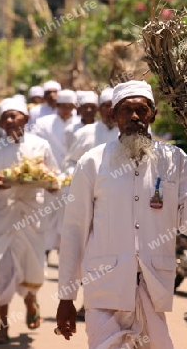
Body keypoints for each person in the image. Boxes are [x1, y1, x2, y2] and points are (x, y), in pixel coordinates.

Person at [55, 80, 187, 349]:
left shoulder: (174, 159)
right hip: (104, 290)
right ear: (112, 115)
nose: (134, 117)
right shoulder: (93, 162)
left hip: (153, 289)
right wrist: (66, 297)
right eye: (126, 110)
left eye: (141, 110)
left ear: (153, 114)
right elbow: (74, 231)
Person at [0, 98, 59, 344]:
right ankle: (3, 328)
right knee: (2, 270)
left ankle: (30, 301)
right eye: (6, 117)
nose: (11, 121)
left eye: (15, 116)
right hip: (4, 219)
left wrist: (52, 185)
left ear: (25, 118)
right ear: (1, 123)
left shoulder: (40, 145)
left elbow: (54, 177)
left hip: (32, 218)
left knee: (30, 267)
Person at [63, 87, 118, 322]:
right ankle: (89, 301)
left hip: (120, 207)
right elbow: (70, 163)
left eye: (111, 106)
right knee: (90, 251)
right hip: (90, 204)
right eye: (104, 105)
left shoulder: (130, 133)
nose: (107, 110)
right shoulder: (86, 134)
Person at [33, 90, 78, 253]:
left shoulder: (80, 124)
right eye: (63, 106)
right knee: (46, 220)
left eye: (70, 106)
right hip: (48, 180)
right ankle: (43, 255)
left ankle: (63, 259)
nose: (66, 110)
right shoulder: (43, 123)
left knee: (68, 222)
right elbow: (34, 148)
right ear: (57, 106)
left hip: (72, 180)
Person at [64, 87, 118, 176]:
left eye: (114, 106)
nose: (110, 110)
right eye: (107, 106)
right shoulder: (84, 133)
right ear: (99, 109)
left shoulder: (127, 133)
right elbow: (71, 162)